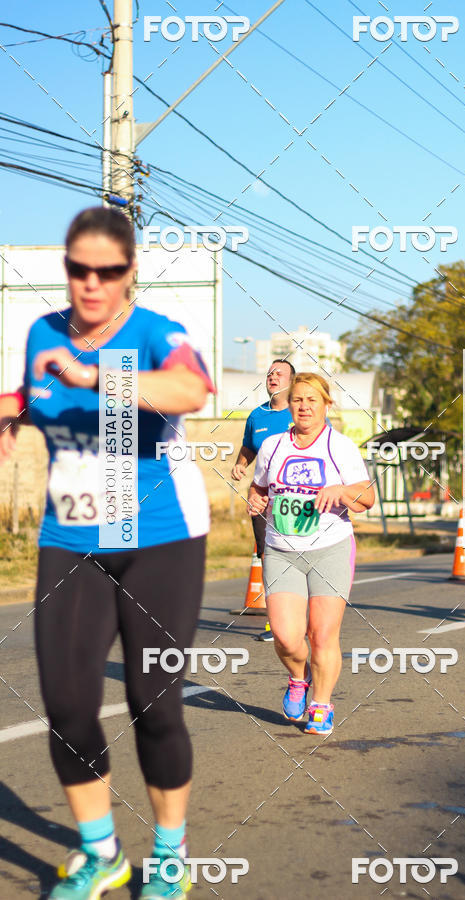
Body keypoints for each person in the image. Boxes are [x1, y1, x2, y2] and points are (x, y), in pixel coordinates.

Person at [0, 206, 215, 899]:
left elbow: (191, 388)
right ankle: (103, 854)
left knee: (154, 703)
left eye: (108, 270)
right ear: (66, 268)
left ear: (129, 272)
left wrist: (98, 376)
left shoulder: (155, 332)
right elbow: (37, 395)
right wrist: (11, 408)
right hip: (71, 537)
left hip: (161, 537)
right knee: (67, 706)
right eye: (79, 269)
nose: (91, 283)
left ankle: (171, 853)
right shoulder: (43, 332)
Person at [247, 373, 374, 735]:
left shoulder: (340, 446)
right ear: (289, 405)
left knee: (321, 634)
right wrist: (254, 500)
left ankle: (321, 704)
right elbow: (258, 488)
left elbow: (367, 498)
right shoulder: (272, 446)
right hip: (281, 550)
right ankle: (298, 676)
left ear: (326, 405)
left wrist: (340, 490)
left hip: (330, 548)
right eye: (298, 399)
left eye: (312, 400)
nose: (304, 406)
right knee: (286, 637)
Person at [231, 359, 295, 641]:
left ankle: (302, 619)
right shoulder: (257, 416)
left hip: (297, 500)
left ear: (292, 381)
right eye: (269, 373)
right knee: (269, 560)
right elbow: (248, 447)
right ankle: (277, 626)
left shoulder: (302, 412)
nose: (273, 376)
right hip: (262, 499)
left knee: (296, 558)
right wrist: (240, 464)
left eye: (279, 373)